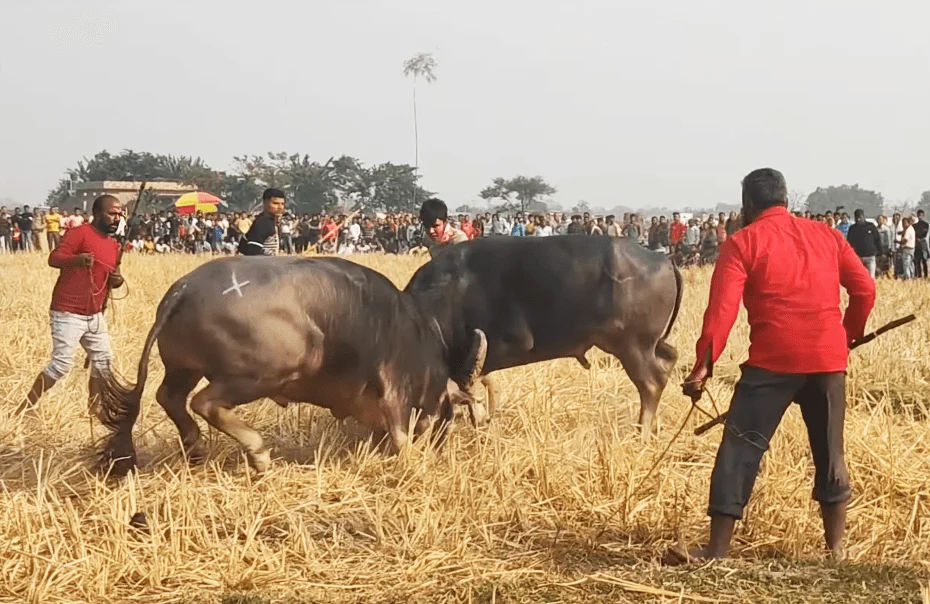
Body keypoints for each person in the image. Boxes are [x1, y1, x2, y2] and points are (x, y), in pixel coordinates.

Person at [670, 168, 875, 564]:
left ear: (747, 205)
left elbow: (721, 312)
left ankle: (717, 551)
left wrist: (702, 367)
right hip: (828, 361)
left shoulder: (743, 242)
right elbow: (865, 289)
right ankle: (835, 551)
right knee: (830, 452)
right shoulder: (828, 235)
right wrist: (848, 335)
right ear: (786, 198)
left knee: (740, 450)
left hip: (772, 363)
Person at [19, 195, 125, 413]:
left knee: (103, 361)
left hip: (94, 314)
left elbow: (115, 277)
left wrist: (118, 281)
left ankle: (93, 409)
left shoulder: (114, 245)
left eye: (120, 214)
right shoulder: (79, 234)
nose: (117, 218)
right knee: (61, 365)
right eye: (112, 213)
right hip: (68, 312)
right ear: (97, 213)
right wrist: (76, 260)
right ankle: (24, 408)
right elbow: (54, 258)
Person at [239, 188, 285, 256]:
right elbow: (253, 251)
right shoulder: (263, 223)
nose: (280, 207)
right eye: (275, 203)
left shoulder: (272, 222)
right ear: (265, 203)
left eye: (282, 204)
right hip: (263, 265)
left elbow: (242, 247)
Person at [845, 209, 882, 278]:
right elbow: (849, 243)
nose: (858, 219)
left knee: (871, 278)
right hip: (858, 257)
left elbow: (877, 239)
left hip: (870, 256)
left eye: (860, 217)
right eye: (857, 217)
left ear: (863, 216)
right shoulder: (852, 228)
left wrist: (879, 252)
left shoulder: (871, 226)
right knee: (859, 278)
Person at [913, 209, 929, 278]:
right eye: (919, 215)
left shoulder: (926, 224)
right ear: (917, 215)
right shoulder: (914, 225)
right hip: (917, 243)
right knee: (917, 260)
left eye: (921, 215)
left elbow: (926, 234)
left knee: (924, 260)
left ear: (923, 215)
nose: (920, 216)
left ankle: (925, 275)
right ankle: (919, 275)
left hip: (923, 243)